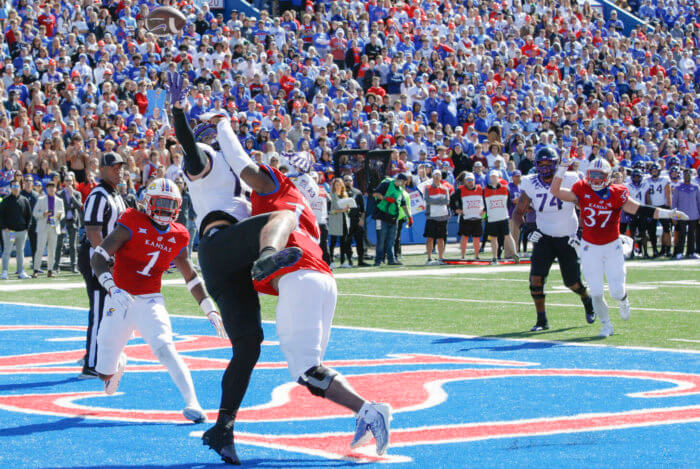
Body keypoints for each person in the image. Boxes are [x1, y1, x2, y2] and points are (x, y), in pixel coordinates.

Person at [211, 116, 392, 460]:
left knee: (306, 371)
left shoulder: (279, 187)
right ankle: (364, 411)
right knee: (315, 367)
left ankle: (369, 409)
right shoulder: (305, 205)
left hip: (298, 275)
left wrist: (223, 128)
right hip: (322, 277)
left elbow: (243, 165)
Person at [168, 73, 303, 465]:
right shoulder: (204, 159)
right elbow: (190, 149)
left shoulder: (235, 169)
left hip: (229, 266)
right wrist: (179, 112)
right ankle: (266, 258)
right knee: (281, 218)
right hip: (220, 245)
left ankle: (223, 426)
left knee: (249, 344)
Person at [90, 179, 226, 423]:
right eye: (159, 203)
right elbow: (98, 258)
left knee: (165, 348)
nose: (164, 210)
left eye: (169, 204)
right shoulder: (131, 221)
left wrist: (209, 308)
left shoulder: (179, 234)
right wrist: (112, 288)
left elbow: (191, 276)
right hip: (120, 297)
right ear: (147, 202)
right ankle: (119, 361)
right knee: (103, 374)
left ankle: (192, 403)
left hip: (151, 300)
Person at [551, 158, 689, 337]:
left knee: (616, 292)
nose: (594, 179)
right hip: (589, 247)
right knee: (596, 292)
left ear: (608, 176)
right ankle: (606, 325)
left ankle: (623, 300)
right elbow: (555, 191)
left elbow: (639, 209)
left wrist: (669, 213)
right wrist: (562, 168)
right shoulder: (581, 188)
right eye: (592, 174)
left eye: (599, 175)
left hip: (612, 246)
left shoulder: (617, 192)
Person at [511, 147, 594, 332]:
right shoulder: (530, 183)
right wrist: (526, 228)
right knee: (535, 280)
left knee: (572, 283)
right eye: (542, 163)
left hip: (568, 237)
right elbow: (517, 212)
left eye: (549, 163)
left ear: (556, 164)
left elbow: (585, 207)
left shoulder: (571, 178)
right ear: (536, 165)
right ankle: (542, 320)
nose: (546, 167)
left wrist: (581, 233)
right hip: (544, 237)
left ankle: (586, 298)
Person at [77, 152, 128, 378]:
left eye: (121, 167)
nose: (119, 171)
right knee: (99, 310)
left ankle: (99, 354)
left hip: (108, 259)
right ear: (104, 169)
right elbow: (93, 231)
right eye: (115, 168)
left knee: (111, 310)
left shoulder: (116, 195)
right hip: (96, 259)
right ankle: (92, 363)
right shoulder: (99, 195)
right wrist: (107, 257)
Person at [372, 174, 412, 266]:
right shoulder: (386, 184)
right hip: (381, 215)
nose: (404, 184)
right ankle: (378, 260)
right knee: (381, 240)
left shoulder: (400, 190)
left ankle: (391, 259)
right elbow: (375, 194)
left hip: (393, 217)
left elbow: (403, 204)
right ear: (400, 180)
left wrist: (409, 217)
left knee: (391, 240)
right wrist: (386, 198)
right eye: (404, 182)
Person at [483, 170, 518, 264]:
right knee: (493, 238)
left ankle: (515, 254)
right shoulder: (485, 189)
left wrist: (504, 212)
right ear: (490, 178)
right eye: (492, 177)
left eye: (495, 176)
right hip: (492, 218)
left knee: (508, 235)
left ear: (498, 178)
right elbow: (485, 204)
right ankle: (494, 257)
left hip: (503, 217)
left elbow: (508, 204)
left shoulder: (505, 189)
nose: (493, 178)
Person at [0, 179, 31, 279]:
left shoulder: (24, 200)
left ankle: (21, 271)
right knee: (7, 251)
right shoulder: (6, 199)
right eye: (13, 186)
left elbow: (29, 215)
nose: (15, 188)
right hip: (10, 232)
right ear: (10, 188)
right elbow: (1, 215)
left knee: (20, 252)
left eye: (17, 186)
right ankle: (4, 272)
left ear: (20, 187)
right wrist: (4, 227)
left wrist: (27, 228)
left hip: (22, 231)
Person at [32, 180, 64, 278]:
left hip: (54, 226)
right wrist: (43, 214)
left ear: (55, 189)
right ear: (46, 189)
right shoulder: (41, 199)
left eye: (53, 187)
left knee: (52, 250)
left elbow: (62, 213)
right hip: (43, 227)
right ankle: (36, 270)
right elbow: (34, 213)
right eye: (49, 187)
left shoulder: (60, 200)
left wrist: (57, 216)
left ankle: (50, 270)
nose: (51, 188)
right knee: (40, 249)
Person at [451, 172, 484, 259]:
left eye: (471, 180)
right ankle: (462, 256)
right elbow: (452, 199)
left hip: (477, 218)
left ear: (474, 180)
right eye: (468, 180)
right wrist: (456, 209)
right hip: (465, 217)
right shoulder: (460, 190)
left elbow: (487, 200)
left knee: (476, 238)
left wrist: (485, 210)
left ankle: (476, 256)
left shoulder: (480, 189)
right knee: (464, 237)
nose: (470, 182)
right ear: (465, 181)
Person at [55, 172, 83, 274]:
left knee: (73, 245)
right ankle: (56, 266)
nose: (68, 182)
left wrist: (72, 196)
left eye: (70, 180)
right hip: (63, 222)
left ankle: (73, 267)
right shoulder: (59, 194)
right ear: (64, 182)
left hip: (73, 222)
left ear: (73, 181)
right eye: (66, 180)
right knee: (60, 244)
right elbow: (57, 208)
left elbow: (79, 207)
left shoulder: (77, 193)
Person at [644, 163, 673, 257]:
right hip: (652, 208)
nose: (654, 172)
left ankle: (667, 249)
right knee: (651, 230)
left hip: (663, 206)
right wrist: (649, 207)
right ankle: (655, 250)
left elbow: (668, 194)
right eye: (653, 170)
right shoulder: (646, 180)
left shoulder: (664, 180)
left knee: (667, 229)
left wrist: (669, 207)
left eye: (656, 170)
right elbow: (647, 194)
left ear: (659, 171)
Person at [422, 170, 450, 264]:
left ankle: (441, 258)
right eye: (435, 176)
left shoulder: (445, 188)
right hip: (431, 217)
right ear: (432, 177)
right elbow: (427, 200)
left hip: (442, 216)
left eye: (438, 176)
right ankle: (429, 257)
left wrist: (435, 200)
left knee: (441, 238)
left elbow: (446, 201)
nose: (437, 177)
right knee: (430, 238)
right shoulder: (427, 188)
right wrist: (440, 200)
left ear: (441, 177)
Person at [672, 169, 700, 259]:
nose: (687, 176)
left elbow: (699, 202)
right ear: (683, 176)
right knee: (682, 234)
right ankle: (679, 252)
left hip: (693, 214)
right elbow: (674, 203)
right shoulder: (678, 187)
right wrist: (674, 216)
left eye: (689, 175)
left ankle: (691, 252)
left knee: (692, 234)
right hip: (681, 215)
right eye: (685, 175)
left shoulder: (696, 187)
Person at [344, 175, 369, 267]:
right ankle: (349, 260)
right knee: (347, 241)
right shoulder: (341, 193)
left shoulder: (357, 192)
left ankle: (361, 260)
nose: (348, 182)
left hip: (357, 220)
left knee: (360, 241)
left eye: (349, 180)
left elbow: (363, 209)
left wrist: (362, 219)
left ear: (352, 182)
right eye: (346, 180)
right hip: (346, 220)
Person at [328, 178, 353, 268]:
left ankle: (343, 261)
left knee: (344, 242)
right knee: (333, 242)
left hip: (345, 221)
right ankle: (330, 261)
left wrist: (347, 208)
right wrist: (340, 210)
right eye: (336, 185)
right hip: (335, 221)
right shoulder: (331, 196)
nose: (338, 186)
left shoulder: (345, 195)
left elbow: (347, 210)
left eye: (340, 185)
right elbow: (330, 211)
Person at [626, 169, 650, 258]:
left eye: (638, 177)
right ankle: (632, 252)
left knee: (643, 233)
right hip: (632, 211)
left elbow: (648, 199)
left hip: (642, 210)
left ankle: (645, 252)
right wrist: (627, 213)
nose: (636, 179)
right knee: (632, 234)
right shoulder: (627, 186)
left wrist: (649, 212)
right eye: (635, 177)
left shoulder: (645, 185)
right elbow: (626, 201)